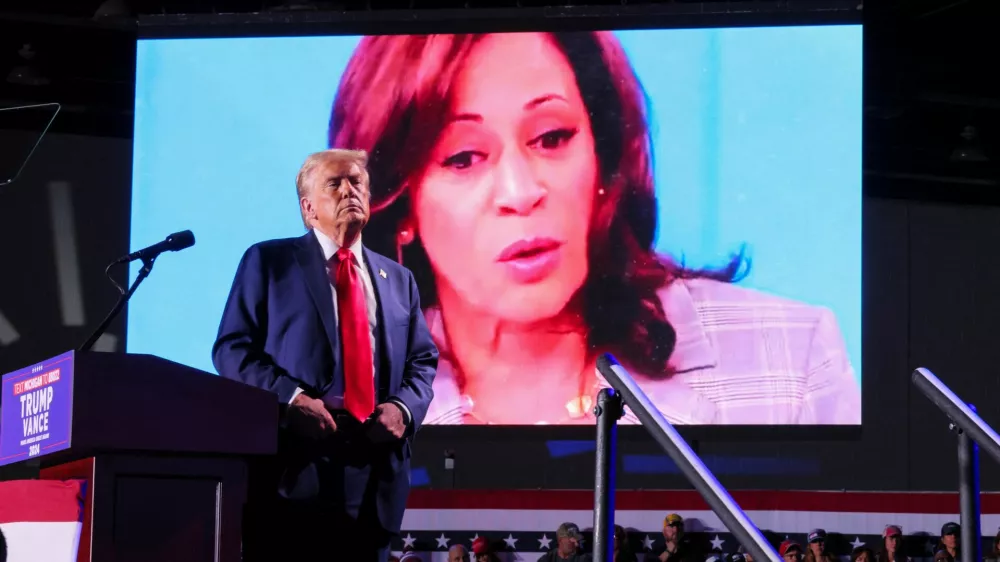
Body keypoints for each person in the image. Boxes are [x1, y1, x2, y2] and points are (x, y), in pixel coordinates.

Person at [326, 31, 860, 426]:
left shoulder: (789, 356)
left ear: (602, 159)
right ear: (401, 208)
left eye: (552, 137)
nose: (520, 192)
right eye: (464, 157)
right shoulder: (351, 391)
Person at [213, 148, 439, 561]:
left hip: (375, 472)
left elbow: (422, 362)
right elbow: (232, 349)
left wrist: (403, 410)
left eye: (357, 182)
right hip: (294, 465)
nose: (349, 191)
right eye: (334, 184)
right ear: (308, 208)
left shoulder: (398, 279)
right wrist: (291, 399)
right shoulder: (269, 262)